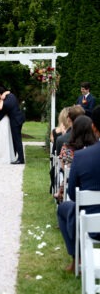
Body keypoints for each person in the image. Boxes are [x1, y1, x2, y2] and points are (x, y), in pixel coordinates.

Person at [57, 106, 100, 273]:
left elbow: (72, 194)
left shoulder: (82, 157)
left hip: (94, 226)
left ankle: (77, 259)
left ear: (94, 127)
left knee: (64, 208)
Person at [54, 115, 97, 204]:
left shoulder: (67, 148)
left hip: (74, 188)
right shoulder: (95, 149)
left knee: (62, 209)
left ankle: (59, 193)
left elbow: (63, 168)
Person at [0, 86, 25, 164]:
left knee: (17, 140)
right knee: (15, 140)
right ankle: (15, 156)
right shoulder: (11, 95)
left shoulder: (5, 104)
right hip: (20, 118)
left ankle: (21, 159)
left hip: (15, 121)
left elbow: (0, 117)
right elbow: (8, 92)